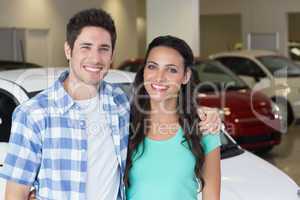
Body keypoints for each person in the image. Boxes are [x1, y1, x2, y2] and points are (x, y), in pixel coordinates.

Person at [0, 8, 221, 200]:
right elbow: (15, 193)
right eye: (85, 47)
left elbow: (167, 107)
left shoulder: (120, 105)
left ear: (112, 54)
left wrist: (206, 112)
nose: (95, 58)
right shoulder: (33, 114)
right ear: (68, 50)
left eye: (103, 49)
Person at [124, 35, 221, 200]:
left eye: (171, 69)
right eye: (152, 67)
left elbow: (211, 196)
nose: (159, 77)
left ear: (186, 76)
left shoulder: (204, 127)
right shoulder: (124, 124)